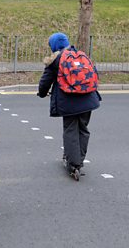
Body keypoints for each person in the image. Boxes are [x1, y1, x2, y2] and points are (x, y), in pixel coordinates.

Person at [37, 32, 101, 181]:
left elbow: (45, 81)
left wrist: (41, 93)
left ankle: (74, 165)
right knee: (83, 129)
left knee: (70, 130)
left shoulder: (56, 60)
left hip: (69, 100)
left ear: (53, 46)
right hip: (88, 98)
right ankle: (78, 159)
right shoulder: (81, 55)